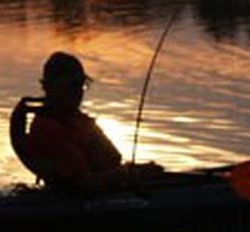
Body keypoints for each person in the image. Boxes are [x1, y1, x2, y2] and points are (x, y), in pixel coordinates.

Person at [11, 52, 162, 192]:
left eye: (81, 85)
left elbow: (111, 163)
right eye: (71, 86)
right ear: (50, 88)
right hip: (81, 201)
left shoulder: (75, 119)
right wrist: (127, 173)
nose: (78, 92)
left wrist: (137, 170)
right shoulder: (50, 129)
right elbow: (86, 184)